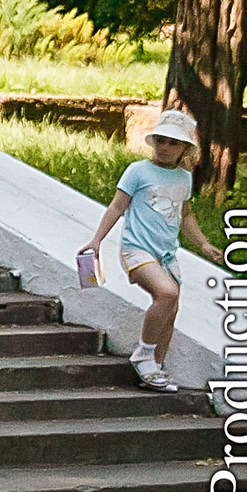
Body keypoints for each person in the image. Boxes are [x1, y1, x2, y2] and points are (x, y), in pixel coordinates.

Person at [84, 109, 225, 393]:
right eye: (161, 140)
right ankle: (144, 355)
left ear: (185, 148)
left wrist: (202, 243)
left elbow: (185, 216)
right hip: (137, 249)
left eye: (174, 143)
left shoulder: (184, 178)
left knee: (171, 310)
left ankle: (154, 370)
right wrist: (96, 240)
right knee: (167, 293)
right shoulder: (137, 171)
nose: (165, 147)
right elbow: (117, 206)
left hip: (167, 255)